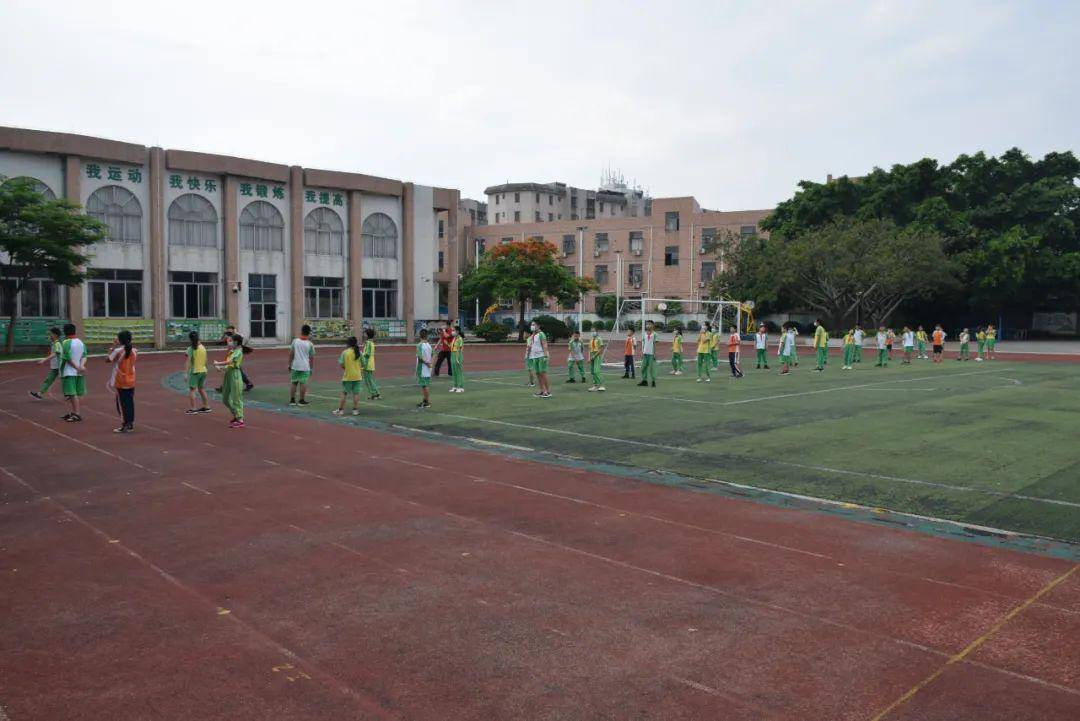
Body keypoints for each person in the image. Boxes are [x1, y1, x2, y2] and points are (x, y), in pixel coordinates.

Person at [105, 329, 136, 433]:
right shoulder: (134, 351)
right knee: (130, 403)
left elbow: (107, 360)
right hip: (131, 379)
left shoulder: (118, 351)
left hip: (120, 380)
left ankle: (124, 425)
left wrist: (112, 346)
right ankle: (130, 423)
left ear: (120, 340)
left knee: (122, 404)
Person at [214, 332, 246, 428]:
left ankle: (240, 419)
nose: (228, 342)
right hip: (229, 374)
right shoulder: (232, 351)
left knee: (236, 398)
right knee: (225, 398)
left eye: (231, 341)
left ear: (236, 342)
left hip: (235, 375)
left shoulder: (238, 351)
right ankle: (236, 415)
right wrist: (221, 368)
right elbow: (229, 365)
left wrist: (218, 363)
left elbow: (230, 362)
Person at [59, 323, 86, 422]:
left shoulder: (66, 342)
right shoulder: (80, 342)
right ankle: (74, 412)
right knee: (73, 393)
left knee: (71, 393)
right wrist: (81, 366)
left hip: (69, 371)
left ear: (65, 332)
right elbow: (84, 355)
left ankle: (77, 413)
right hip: (78, 372)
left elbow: (67, 357)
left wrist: (76, 367)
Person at [29, 326, 63, 400]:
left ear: (55, 335)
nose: (49, 335)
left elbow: (55, 353)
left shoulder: (57, 344)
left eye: (51, 334)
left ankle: (71, 394)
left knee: (65, 381)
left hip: (60, 366)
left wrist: (44, 360)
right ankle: (39, 393)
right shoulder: (54, 343)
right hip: (55, 367)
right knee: (49, 380)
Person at [216, 325, 253, 391]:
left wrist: (219, 363)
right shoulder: (229, 337)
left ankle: (224, 387)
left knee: (233, 369)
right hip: (231, 354)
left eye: (229, 330)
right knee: (234, 370)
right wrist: (224, 334)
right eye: (227, 331)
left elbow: (241, 342)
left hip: (235, 355)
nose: (228, 332)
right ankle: (248, 383)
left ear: (234, 330)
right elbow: (221, 341)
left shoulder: (237, 337)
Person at [334, 336, 363, 416]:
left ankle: (341, 410)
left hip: (348, 376)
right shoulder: (359, 352)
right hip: (357, 376)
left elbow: (341, 364)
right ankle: (355, 410)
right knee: (356, 393)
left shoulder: (345, 352)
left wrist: (346, 368)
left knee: (344, 393)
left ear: (348, 343)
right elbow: (363, 363)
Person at [288, 324, 315, 406]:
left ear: (301, 331)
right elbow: (311, 357)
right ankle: (301, 400)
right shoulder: (310, 344)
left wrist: (289, 364)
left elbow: (291, 354)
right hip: (305, 366)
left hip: (295, 365)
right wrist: (311, 368)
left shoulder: (295, 341)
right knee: (303, 383)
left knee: (294, 382)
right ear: (309, 333)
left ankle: (292, 400)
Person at [185, 331, 211, 414]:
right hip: (203, 371)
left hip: (195, 371)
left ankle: (193, 408)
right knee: (201, 389)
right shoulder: (203, 347)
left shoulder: (191, 348)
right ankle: (206, 406)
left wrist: (186, 373)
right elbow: (206, 360)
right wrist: (206, 369)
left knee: (192, 390)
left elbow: (188, 361)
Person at [527, 321, 551, 397]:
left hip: (541, 356)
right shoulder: (533, 335)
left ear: (538, 326)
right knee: (537, 373)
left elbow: (544, 345)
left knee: (542, 373)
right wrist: (528, 355)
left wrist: (545, 355)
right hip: (534, 357)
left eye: (534, 325)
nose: (532, 326)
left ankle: (547, 391)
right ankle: (542, 390)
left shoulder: (541, 334)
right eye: (531, 325)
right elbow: (531, 346)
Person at [361, 327, 381, 399]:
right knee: (370, 379)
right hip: (370, 363)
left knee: (368, 380)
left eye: (365, 334)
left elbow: (367, 354)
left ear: (367, 335)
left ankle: (375, 394)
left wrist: (361, 355)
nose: (364, 335)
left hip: (367, 363)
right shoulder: (371, 343)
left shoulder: (368, 343)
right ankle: (376, 393)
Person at [416, 329, 433, 408]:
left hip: (422, 368)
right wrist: (431, 364)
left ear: (420, 335)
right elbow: (434, 354)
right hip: (428, 368)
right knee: (426, 385)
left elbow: (419, 357)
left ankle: (427, 402)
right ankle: (425, 400)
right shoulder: (429, 345)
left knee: (424, 386)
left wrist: (427, 363)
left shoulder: (419, 345)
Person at [638, 321, 657, 387]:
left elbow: (655, 344)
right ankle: (644, 381)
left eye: (649, 324)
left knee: (652, 368)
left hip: (651, 354)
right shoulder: (645, 334)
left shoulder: (654, 334)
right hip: (645, 353)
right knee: (643, 367)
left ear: (653, 325)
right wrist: (642, 352)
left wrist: (654, 353)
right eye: (647, 324)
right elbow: (644, 343)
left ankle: (653, 381)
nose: (648, 325)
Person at [450, 326, 465, 392]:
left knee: (459, 371)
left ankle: (460, 387)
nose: (452, 332)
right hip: (452, 354)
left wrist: (457, 358)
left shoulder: (460, 339)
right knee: (454, 371)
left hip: (458, 354)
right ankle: (455, 386)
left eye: (454, 330)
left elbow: (459, 348)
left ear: (457, 331)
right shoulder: (454, 338)